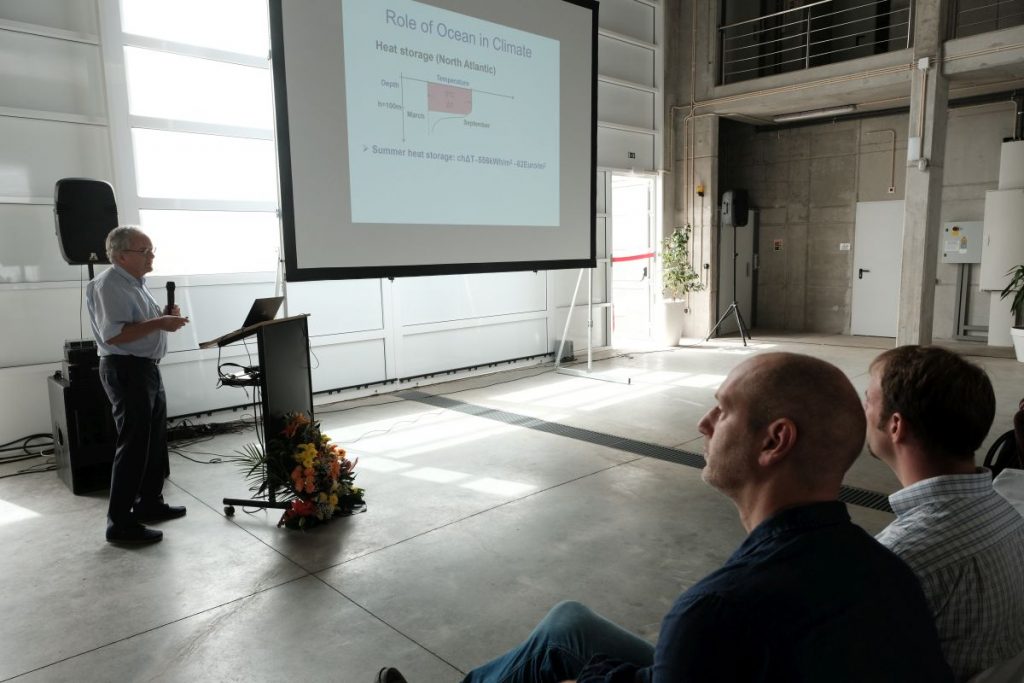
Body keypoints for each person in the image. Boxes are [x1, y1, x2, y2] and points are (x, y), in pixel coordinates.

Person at [376, 352, 953, 683]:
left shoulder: (716, 612)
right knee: (568, 625)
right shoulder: (890, 573)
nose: (704, 424)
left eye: (724, 411)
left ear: (775, 441)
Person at [865, 345, 1024, 681]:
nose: (862, 411)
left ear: (896, 426)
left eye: (868, 400)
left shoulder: (896, 560)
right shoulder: (1008, 513)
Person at [86, 226, 190, 544]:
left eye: (151, 249)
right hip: (126, 370)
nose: (151, 255)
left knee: (153, 440)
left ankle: (149, 503)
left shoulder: (136, 284)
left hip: (145, 369)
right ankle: (119, 524)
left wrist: (163, 317)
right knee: (133, 445)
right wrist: (160, 323)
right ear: (121, 255)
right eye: (144, 251)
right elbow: (114, 334)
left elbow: (138, 325)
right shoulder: (108, 284)